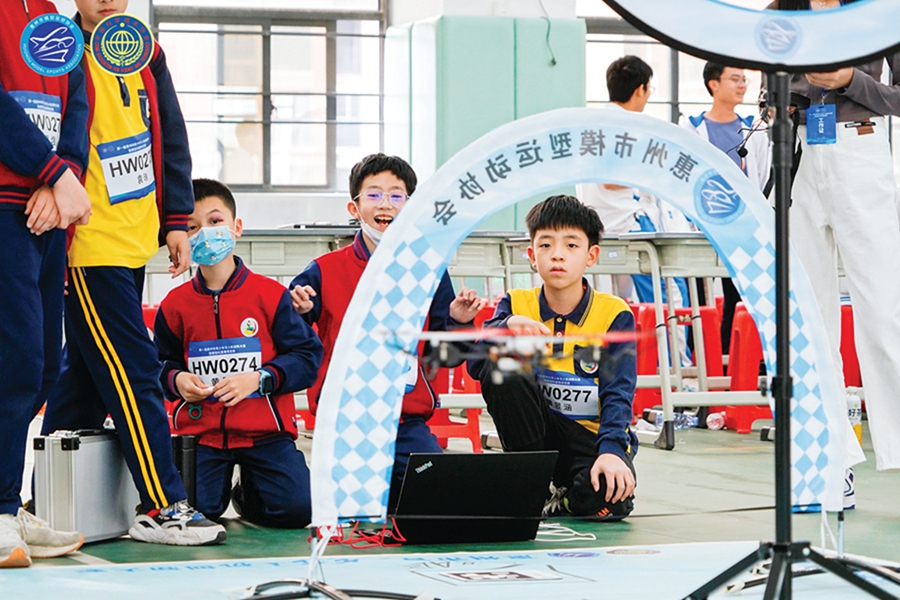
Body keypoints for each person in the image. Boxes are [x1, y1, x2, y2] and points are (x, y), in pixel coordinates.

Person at [40, 0, 226, 545]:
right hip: (86, 242)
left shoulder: (146, 51)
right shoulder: (56, 47)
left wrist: (175, 219)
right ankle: (161, 505)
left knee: (85, 379)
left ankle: (42, 503)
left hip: (134, 240)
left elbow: (171, 137)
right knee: (133, 370)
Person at [289, 153, 487, 507]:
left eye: (397, 196)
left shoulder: (430, 272)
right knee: (350, 507)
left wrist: (458, 322)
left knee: (436, 501)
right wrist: (300, 313)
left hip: (406, 423)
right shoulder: (322, 271)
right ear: (354, 207)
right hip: (345, 423)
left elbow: (445, 358)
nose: (385, 204)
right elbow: (293, 342)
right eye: (374, 194)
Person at [773, 0, 900, 493]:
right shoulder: (782, 9)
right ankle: (828, 460)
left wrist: (851, 81)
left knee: (884, 313)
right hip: (797, 152)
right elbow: (768, 78)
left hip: (862, 145)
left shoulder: (881, 12)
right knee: (808, 317)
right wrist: (781, 100)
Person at [154, 179, 323, 528]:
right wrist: (177, 379)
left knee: (297, 510)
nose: (205, 233)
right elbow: (157, 364)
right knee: (196, 512)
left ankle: (250, 493)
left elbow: (307, 356)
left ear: (237, 227)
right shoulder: (174, 305)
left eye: (215, 221)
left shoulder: (271, 295)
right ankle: (217, 490)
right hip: (202, 435)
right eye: (192, 227)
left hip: (266, 433)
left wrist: (260, 379)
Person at [468, 195, 638, 521]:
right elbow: (477, 366)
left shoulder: (614, 314)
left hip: (587, 438)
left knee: (610, 498)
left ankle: (564, 499)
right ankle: (531, 480)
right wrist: (507, 326)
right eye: (546, 245)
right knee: (504, 367)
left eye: (571, 245)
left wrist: (612, 451)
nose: (557, 254)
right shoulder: (516, 303)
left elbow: (619, 391)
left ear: (591, 255)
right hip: (535, 437)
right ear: (532, 256)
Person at [0, 0, 93, 569]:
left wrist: (64, 176)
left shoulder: (50, 13)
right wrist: (51, 170)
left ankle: (7, 501)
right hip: (5, 205)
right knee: (13, 362)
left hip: (46, 212)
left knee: (39, 367)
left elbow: (77, 104)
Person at [577, 55, 694, 305]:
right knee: (671, 298)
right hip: (630, 223)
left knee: (619, 304)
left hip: (600, 224)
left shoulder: (591, 126)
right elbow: (610, 179)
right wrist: (654, 175)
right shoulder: (623, 127)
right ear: (640, 89)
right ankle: (676, 335)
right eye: (649, 89)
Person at [682, 62, 771, 350]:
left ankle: (736, 359)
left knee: (741, 299)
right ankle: (703, 360)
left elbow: (763, 179)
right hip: (705, 230)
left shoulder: (754, 131)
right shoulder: (692, 130)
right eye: (735, 79)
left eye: (744, 79)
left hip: (744, 232)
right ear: (714, 84)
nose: (742, 85)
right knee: (701, 299)